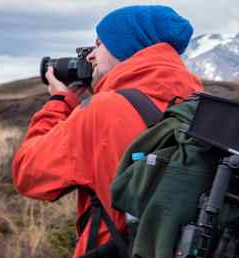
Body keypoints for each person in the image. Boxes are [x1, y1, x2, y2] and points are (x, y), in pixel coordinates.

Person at [11, 5, 204, 258]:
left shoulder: (103, 111)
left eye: (100, 44)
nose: (90, 56)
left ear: (125, 46)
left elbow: (28, 173)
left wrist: (59, 102)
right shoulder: (202, 105)